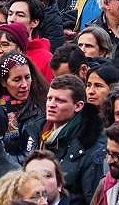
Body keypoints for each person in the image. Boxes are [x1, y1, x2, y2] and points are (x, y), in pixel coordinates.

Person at [28, 75, 104, 205]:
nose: (51, 105)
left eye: (60, 101)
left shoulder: (90, 146)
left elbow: (92, 199)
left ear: (78, 106)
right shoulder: (37, 132)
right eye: (49, 98)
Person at [0, 52, 48, 162]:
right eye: (17, 79)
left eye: (27, 77)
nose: (24, 85)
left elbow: (28, 157)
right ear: (3, 82)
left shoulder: (41, 110)